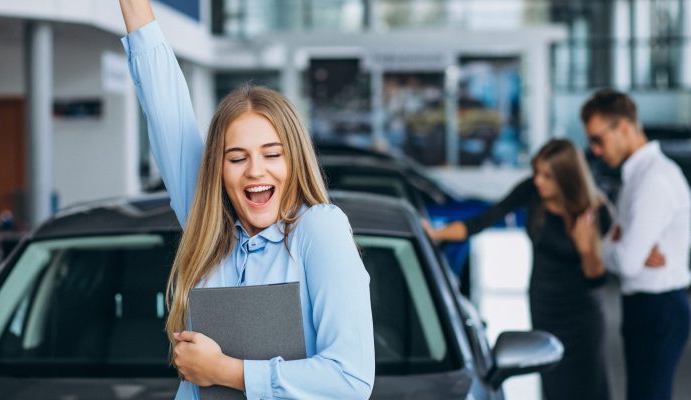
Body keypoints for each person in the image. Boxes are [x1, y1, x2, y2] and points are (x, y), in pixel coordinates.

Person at [117, 2, 375, 399]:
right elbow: (164, 106)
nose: (256, 171)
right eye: (237, 158)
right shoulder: (208, 225)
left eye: (272, 154)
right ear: (219, 170)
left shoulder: (318, 229)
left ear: (295, 158)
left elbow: (350, 380)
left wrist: (225, 370)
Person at [423, 139, 611, 400]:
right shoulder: (532, 192)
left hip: (581, 313)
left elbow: (597, 279)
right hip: (544, 305)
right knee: (553, 383)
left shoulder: (594, 212)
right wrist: (436, 233)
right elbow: (484, 219)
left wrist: (586, 249)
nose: (539, 181)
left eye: (547, 176)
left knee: (588, 386)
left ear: (567, 177)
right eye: (537, 172)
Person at [580, 89, 691, 400]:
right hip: (647, 306)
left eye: (598, 139)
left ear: (625, 128)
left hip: (658, 308)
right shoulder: (637, 177)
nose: (596, 150)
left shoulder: (653, 180)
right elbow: (621, 246)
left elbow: (627, 260)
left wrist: (602, 248)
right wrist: (621, 246)